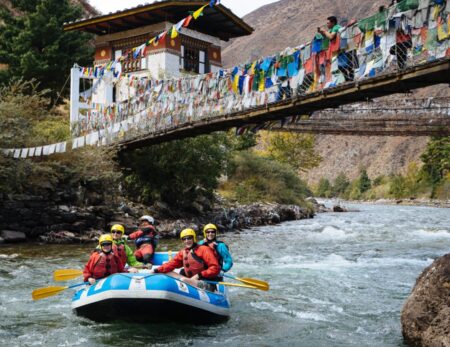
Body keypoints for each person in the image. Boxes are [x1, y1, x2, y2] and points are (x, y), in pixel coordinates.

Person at [153, 228, 220, 288]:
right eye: (184, 239)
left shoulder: (204, 249)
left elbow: (215, 268)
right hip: (190, 279)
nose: (187, 241)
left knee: (184, 280)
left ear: (194, 238)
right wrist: (157, 270)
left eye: (189, 238)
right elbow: (171, 264)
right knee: (167, 272)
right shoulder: (183, 252)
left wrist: (199, 275)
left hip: (205, 281)